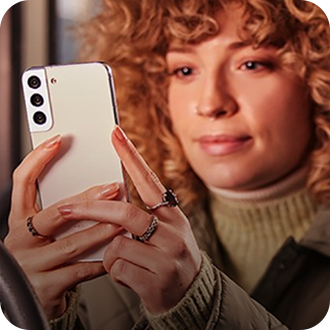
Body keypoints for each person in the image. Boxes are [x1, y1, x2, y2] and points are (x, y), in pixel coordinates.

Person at [1, 0, 330, 329]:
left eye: (251, 64)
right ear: (157, 91)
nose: (211, 102)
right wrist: (32, 313)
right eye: (185, 71)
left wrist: (199, 305)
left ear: (319, 76)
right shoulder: (101, 246)